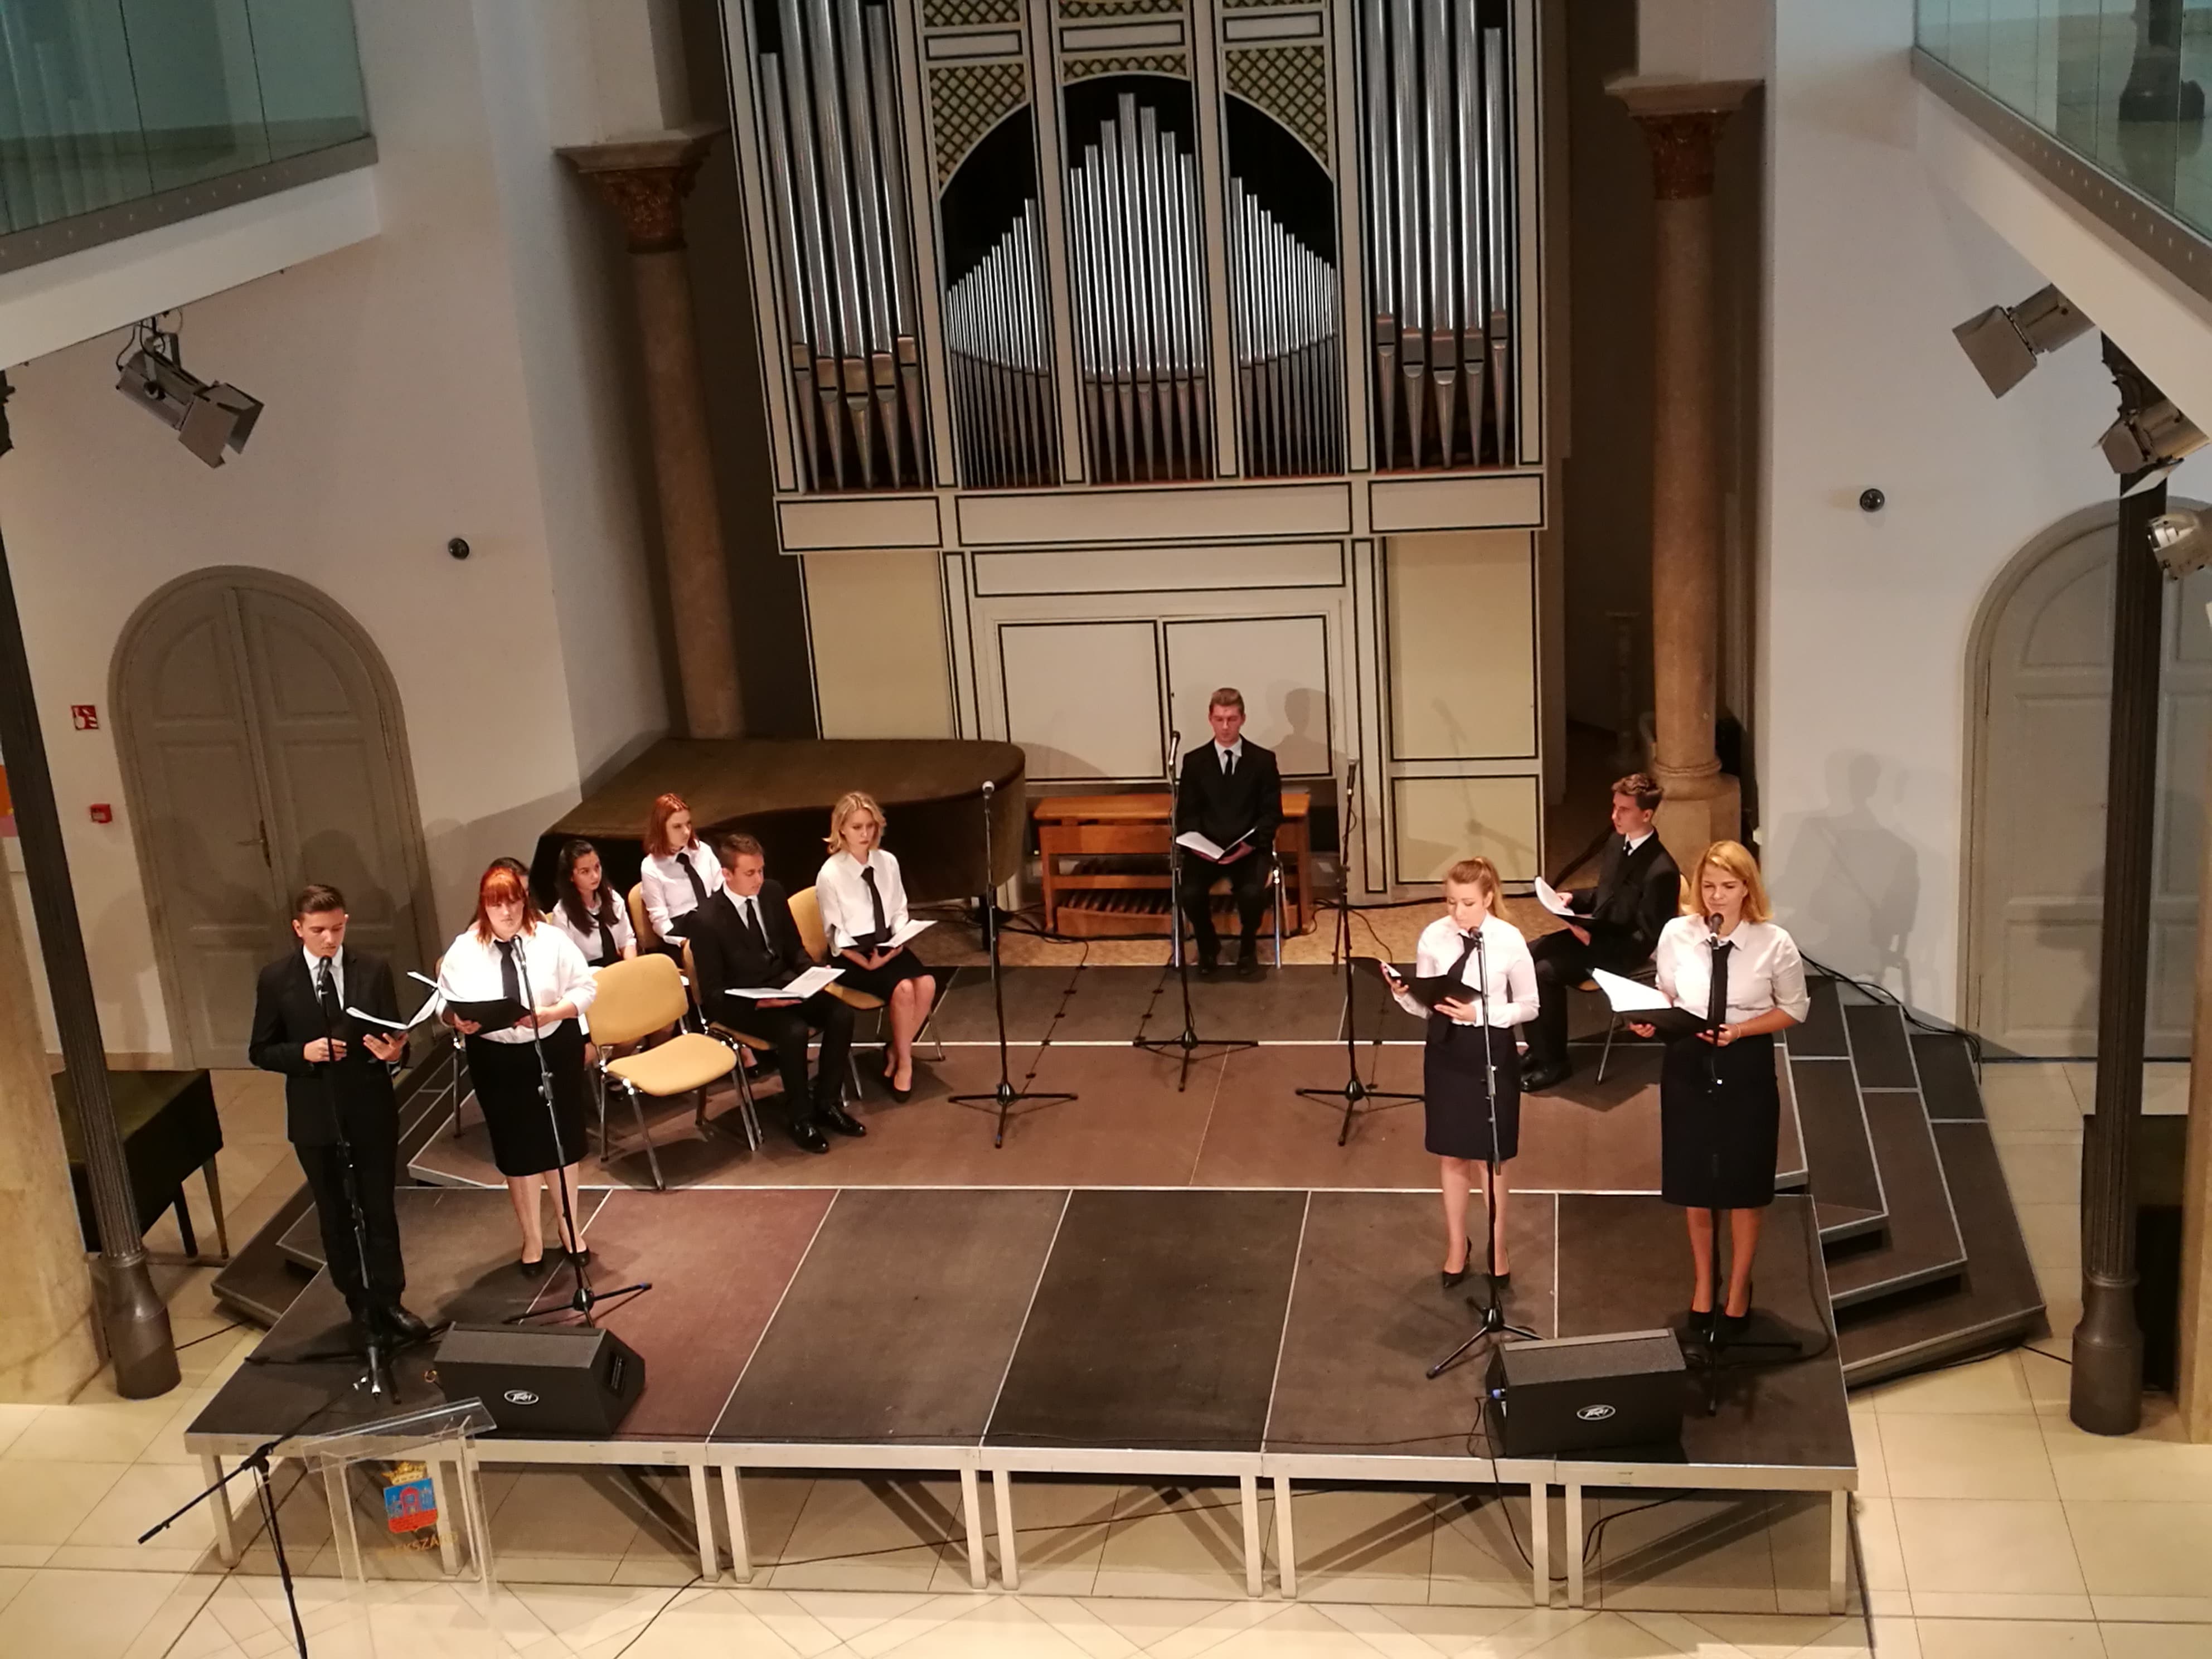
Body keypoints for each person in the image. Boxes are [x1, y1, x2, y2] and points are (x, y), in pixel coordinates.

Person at [1629, 840, 1809, 1346]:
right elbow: (1668, 992)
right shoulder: (1678, 933)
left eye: (1727, 887)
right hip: (1689, 1059)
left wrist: (1742, 1031)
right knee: (1696, 1183)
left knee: (1742, 1183)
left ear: (1747, 888)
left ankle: (1739, 1289)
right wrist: (1650, 1018)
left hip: (1745, 1062)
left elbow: (1795, 1009)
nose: (1715, 896)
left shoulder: (1774, 942)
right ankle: (1705, 1284)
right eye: (1708, 886)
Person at [249, 885, 430, 1350]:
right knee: (334, 1215)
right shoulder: (276, 979)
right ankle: (359, 1305)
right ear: (298, 929)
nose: (330, 939)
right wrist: (303, 1053)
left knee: (379, 1210)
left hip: (369, 1107)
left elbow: (395, 1035)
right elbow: (261, 1050)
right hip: (315, 1115)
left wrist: (396, 1054)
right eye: (318, 931)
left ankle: (390, 1299)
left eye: (337, 928)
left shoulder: (373, 969)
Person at [1383, 857, 1539, 1289]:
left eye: (1467, 903)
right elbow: (1428, 1006)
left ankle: (1498, 1247)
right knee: (1452, 1154)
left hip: (1490, 1050)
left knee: (1490, 1156)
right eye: (1451, 902)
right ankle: (1457, 1245)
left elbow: (1530, 1006)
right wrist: (1405, 994)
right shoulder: (1434, 936)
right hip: (1446, 1050)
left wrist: (1480, 1014)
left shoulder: (1507, 940)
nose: (1457, 912)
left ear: (1488, 898)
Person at [438, 861, 600, 1274]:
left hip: (552, 1048)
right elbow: (444, 1002)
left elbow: (585, 988)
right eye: (497, 905)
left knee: (561, 1143)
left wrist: (552, 1013)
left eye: (513, 902)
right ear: (484, 906)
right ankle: (532, 1238)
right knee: (518, 1149)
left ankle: (571, 1229)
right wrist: (456, 1020)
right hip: (498, 1059)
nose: (507, 912)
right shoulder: (465, 949)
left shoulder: (550, 940)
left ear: (524, 901)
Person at [679, 832, 862, 1154]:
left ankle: (827, 1102)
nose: (759, 879)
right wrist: (761, 1002)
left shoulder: (773, 893)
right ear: (727, 874)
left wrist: (812, 973)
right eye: (750, 873)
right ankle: (800, 1117)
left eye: (761, 870)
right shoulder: (706, 921)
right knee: (793, 1030)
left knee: (841, 1013)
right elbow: (713, 995)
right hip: (744, 1001)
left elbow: (793, 948)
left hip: (784, 983)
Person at [1521, 772, 1680, 1092]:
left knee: (1544, 973)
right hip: (1597, 935)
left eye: (1624, 810)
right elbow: (1605, 893)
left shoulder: (1662, 871)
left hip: (1619, 951)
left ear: (1646, 815)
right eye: (1614, 807)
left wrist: (1593, 939)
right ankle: (1538, 1050)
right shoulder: (1617, 842)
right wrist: (1573, 899)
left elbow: (1646, 940)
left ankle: (1554, 1062)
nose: (1614, 816)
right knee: (1524, 956)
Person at [814, 790, 937, 1101]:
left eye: (870, 826)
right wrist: (866, 961)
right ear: (842, 829)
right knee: (903, 990)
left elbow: (898, 909)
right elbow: (835, 934)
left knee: (927, 984)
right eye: (857, 827)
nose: (865, 834)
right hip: (852, 955)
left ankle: (896, 1048)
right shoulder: (830, 874)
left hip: (886, 945)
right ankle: (904, 1064)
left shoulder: (887, 862)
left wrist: (899, 941)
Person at [1174, 686, 1283, 980]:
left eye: (1232, 719)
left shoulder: (1262, 760)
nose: (1225, 727)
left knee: (1252, 894)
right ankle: (1208, 944)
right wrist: (1196, 846)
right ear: (1210, 719)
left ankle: (1247, 947)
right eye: (1220, 719)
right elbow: (1186, 813)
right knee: (1190, 893)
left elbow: (1272, 813)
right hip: (1205, 850)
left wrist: (1251, 845)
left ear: (1243, 719)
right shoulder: (1195, 762)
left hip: (1247, 849)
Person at [638, 792, 722, 945]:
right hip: (682, 931)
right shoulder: (651, 867)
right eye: (677, 827)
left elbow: (723, 891)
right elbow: (661, 922)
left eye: (688, 824)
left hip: (713, 922)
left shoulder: (702, 850)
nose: (686, 832)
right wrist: (683, 943)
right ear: (661, 829)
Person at [548, 838, 637, 968]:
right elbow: (569, 963)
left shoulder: (613, 898)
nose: (595, 876)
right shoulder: (562, 915)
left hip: (619, 967)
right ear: (571, 876)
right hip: (589, 972)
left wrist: (632, 968)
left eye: (597, 867)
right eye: (585, 872)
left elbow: (627, 940)